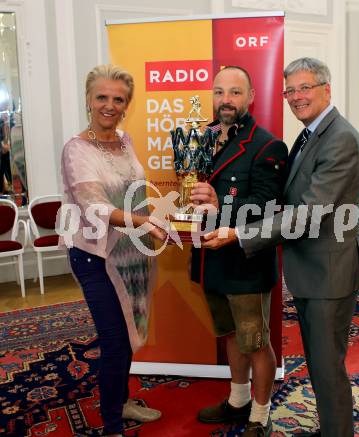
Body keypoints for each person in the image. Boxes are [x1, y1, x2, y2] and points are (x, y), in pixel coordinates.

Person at [202, 58, 359, 437]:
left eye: (305, 87)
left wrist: (239, 234)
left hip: (330, 273)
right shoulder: (312, 133)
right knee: (320, 366)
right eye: (290, 90)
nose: (296, 96)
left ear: (327, 89)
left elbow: (308, 213)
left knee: (328, 370)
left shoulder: (339, 138)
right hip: (313, 269)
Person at [59, 64, 165, 437]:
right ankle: (113, 425)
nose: (110, 105)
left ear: (127, 104)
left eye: (118, 99)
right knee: (115, 340)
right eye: (102, 97)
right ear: (88, 99)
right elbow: (94, 206)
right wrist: (144, 224)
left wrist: (156, 220)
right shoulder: (76, 149)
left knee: (129, 331)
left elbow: (136, 192)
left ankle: (121, 403)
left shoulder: (125, 140)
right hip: (95, 255)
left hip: (131, 252)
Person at [190, 66, 288, 437]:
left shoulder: (267, 145)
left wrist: (219, 204)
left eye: (234, 92)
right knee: (230, 335)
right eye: (219, 92)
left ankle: (260, 415)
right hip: (211, 258)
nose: (225, 100)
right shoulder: (204, 138)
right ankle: (238, 400)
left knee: (256, 342)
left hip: (246, 263)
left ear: (250, 97)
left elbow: (268, 206)